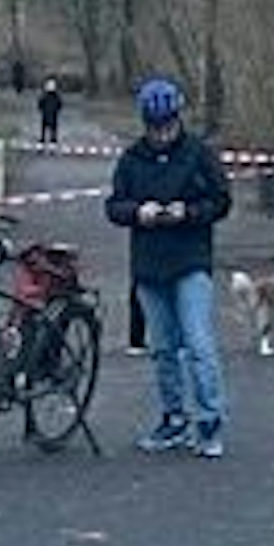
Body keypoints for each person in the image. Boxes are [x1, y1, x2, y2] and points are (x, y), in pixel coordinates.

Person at [106, 76, 233, 459]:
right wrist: (137, 212)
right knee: (162, 348)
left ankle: (209, 420)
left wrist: (189, 212)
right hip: (149, 264)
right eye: (155, 128)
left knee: (198, 343)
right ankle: (173, 417)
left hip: (190, 258)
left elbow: (222, 201)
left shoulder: (198, 154)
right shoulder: (131, 159)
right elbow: (114, 206)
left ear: (177, 121)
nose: (162, 135)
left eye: (168, 127)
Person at [37, 78, 64, 144]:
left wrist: (41, 109)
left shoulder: (45, 96)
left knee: (44, 125)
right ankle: (52, 137)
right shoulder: (56, 96)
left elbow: (40, 103)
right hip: (53, 113)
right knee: (53, 126)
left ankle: (44, 137)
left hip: (46, 113)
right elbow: (60, 104)